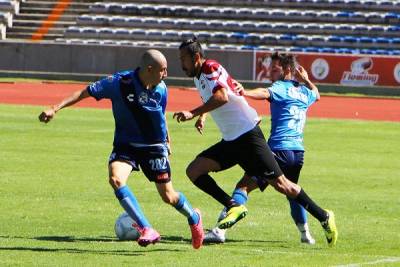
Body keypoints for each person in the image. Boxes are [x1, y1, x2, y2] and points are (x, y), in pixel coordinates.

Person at [173, 38, 338, 247]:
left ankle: (323, 216)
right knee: (194, 170)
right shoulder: (200, 76)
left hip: (248, 137)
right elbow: (221, 94)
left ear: (196, 57)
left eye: (183, 59)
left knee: (282, 185)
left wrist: (193, 112)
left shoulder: (210, 67)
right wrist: (203, 116)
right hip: (232, 140)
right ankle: (233, 206)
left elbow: (223, 96)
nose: (181, 63)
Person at [38, 49, 204, 249]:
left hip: (154, 146)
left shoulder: (162, 88)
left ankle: (194, 217)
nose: (166, 75)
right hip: (126, 145)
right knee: (115, 179)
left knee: (168, 196)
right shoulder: (119, 83)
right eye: (163, 70)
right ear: (149, 69)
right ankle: (146, 228)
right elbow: (86, 92)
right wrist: (55, 108)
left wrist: (168, 140)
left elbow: (160, 115)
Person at [205, 52, 319, 244]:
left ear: (287, 70)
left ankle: (220, 231)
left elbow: (265, 93)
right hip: (298, 153)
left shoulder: (280, 87)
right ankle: (305, 234)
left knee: (243, 186)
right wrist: (307, 80)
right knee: (292, 192)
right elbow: (317, 94)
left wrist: (244, 92)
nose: (270, 72)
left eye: (275, 68)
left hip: (277, 151)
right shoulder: (304, 92)